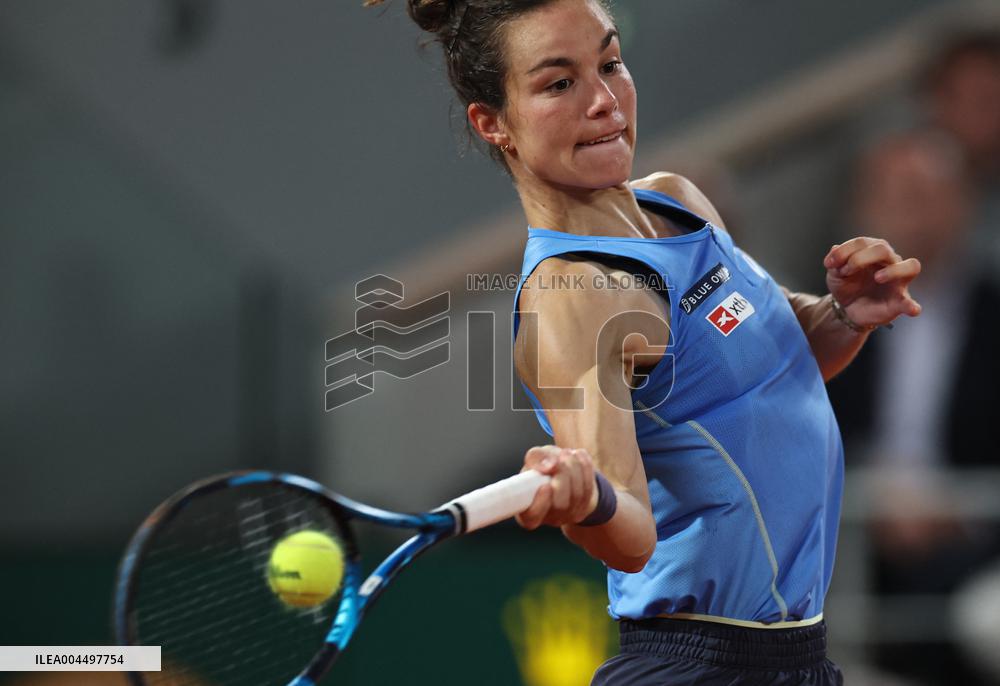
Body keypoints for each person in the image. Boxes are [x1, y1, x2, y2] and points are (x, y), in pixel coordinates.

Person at [367, 1, 922, 683]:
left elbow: (767, 365)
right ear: (495, 124)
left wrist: (844, 314)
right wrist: (586, 501)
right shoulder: (571, 297)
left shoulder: (679, 200)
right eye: (558, 83)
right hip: (700, 666)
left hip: (793, 657)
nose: (604, 101)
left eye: (609, 62)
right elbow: (627, 537)